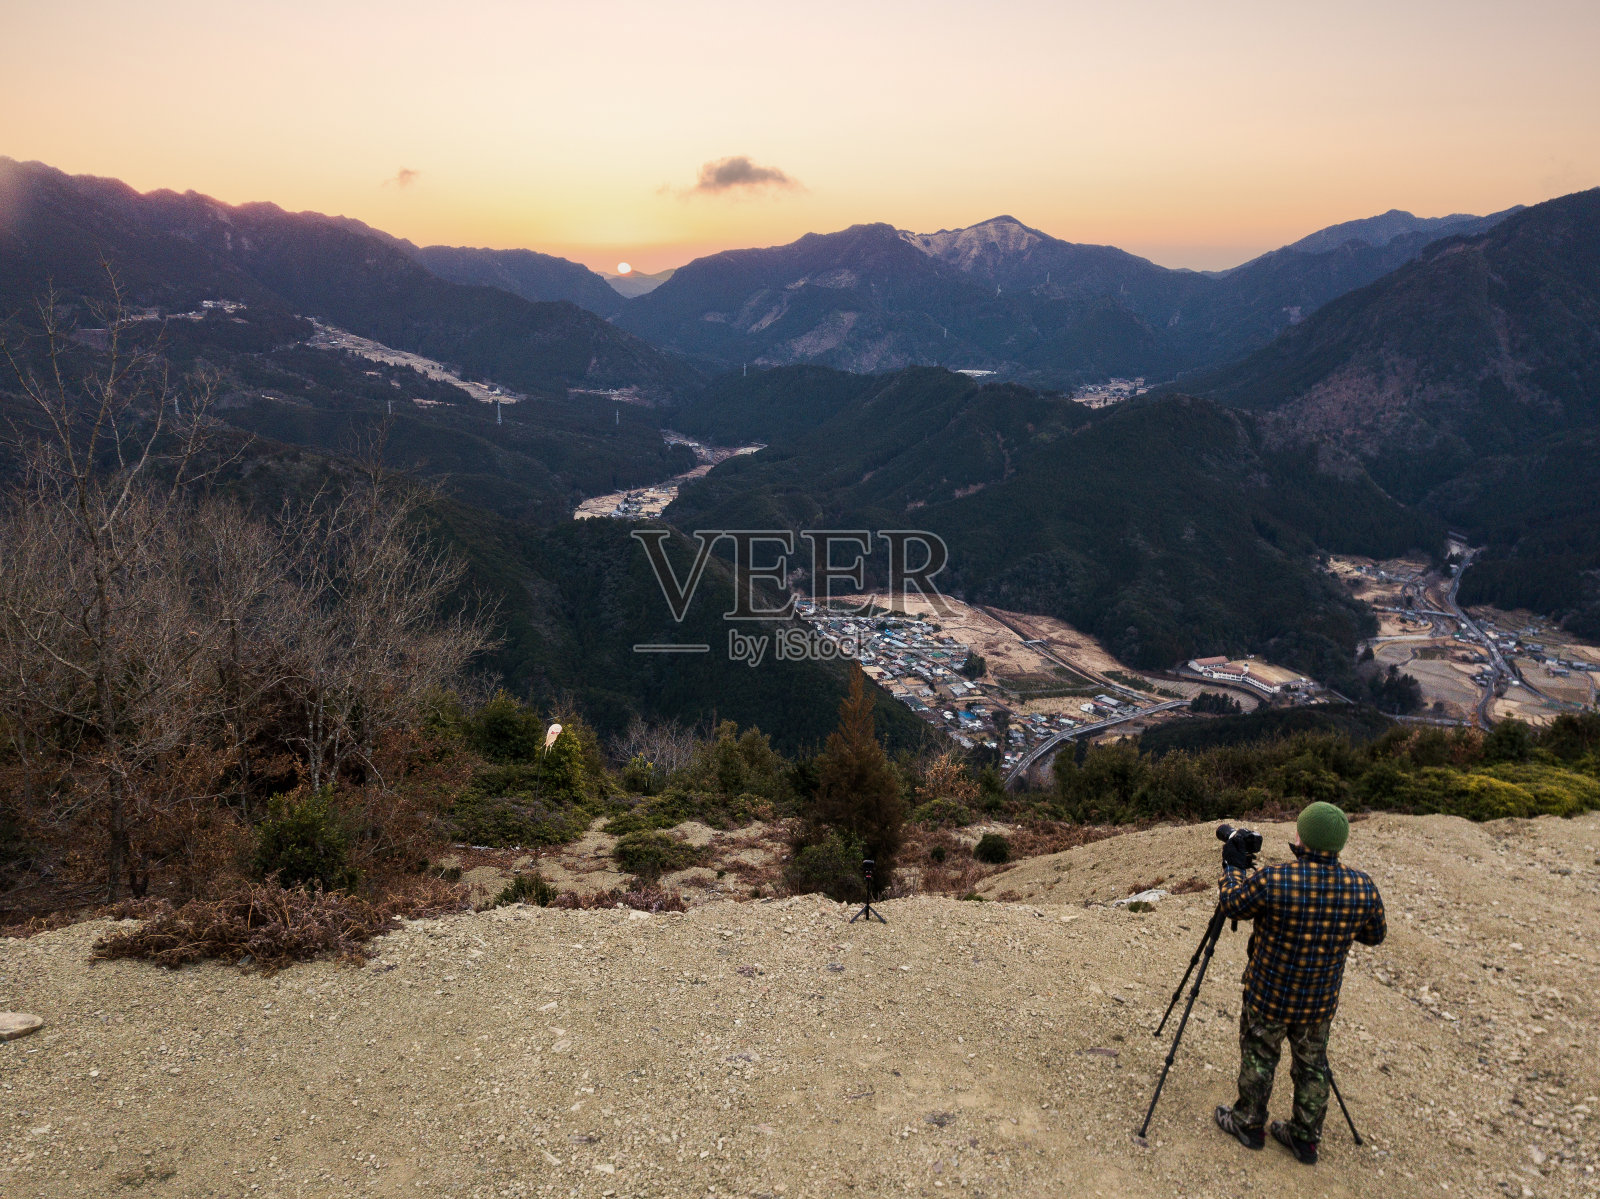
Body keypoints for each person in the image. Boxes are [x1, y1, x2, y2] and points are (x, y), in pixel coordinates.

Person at [1212, 801, 1386, 1165]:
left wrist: (1232, 870)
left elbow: (1233, 905)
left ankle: (1248, 1123)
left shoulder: (1275, 879)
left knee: (1260, 1057)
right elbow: (1375, 935)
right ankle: (1305, 1138)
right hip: (1319, 1001)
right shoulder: (1362, 886)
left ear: (1301, 838)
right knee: (1312, 1066)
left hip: (1268, 995)